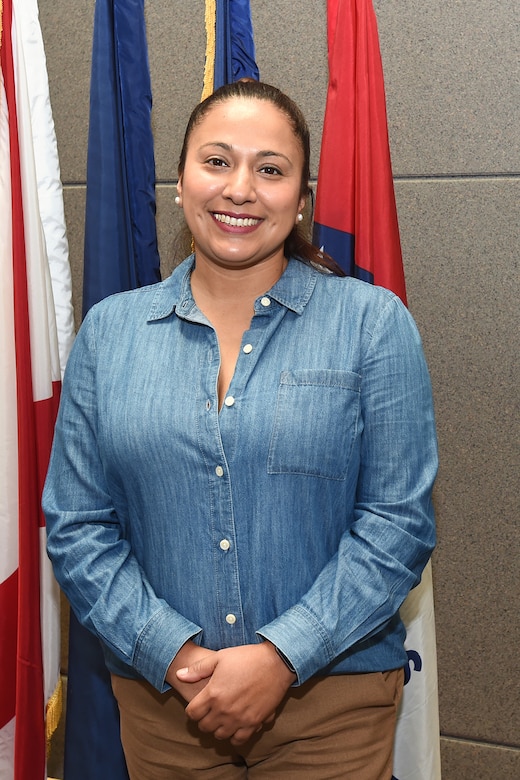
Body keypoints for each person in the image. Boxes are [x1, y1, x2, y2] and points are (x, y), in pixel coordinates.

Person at [43, 80, 438, 779]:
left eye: (270, 169)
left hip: (333, 706)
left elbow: (399, 524)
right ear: (180, 181)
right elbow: (77, 525)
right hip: (170, 706)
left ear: (302, 199)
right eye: (217, 161)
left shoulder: (372, 325)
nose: (240, 189)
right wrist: (175, 653)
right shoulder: (110, 333)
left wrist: (283, 656)